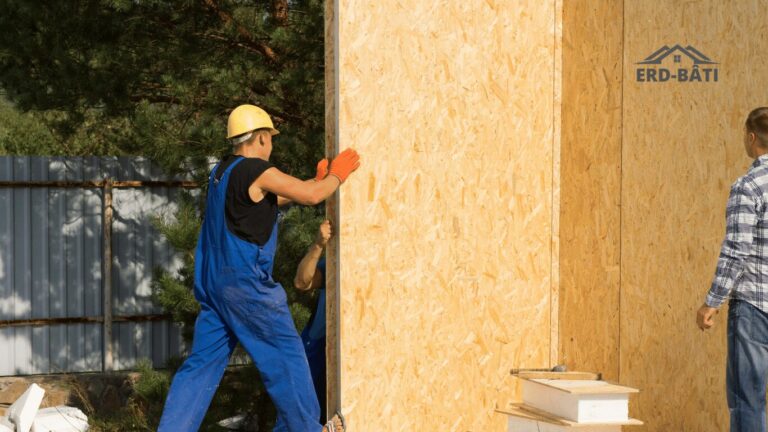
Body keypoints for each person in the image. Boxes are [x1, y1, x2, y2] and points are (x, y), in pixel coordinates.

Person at [158, 104, 358, 432]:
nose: (272, 146)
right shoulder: (256, 170)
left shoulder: (223, 172)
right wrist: (337, 175)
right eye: (271, 139)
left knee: (200, 368)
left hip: (213, 287)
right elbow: (311, 197)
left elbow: (267, 200)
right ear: (262, 138)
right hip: (245, 286)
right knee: (286, 355)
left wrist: (315, 180)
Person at [698, 107, 768, 431]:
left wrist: (712, 302)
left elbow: (737, 251)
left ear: (751, 138)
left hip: (754, 308)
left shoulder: (749, 186)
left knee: (747, 400)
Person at [294, 219, 332, 422]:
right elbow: (302, 281)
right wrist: (318, 245)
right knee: (302, 419)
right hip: (320, 346)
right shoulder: (342, 260)